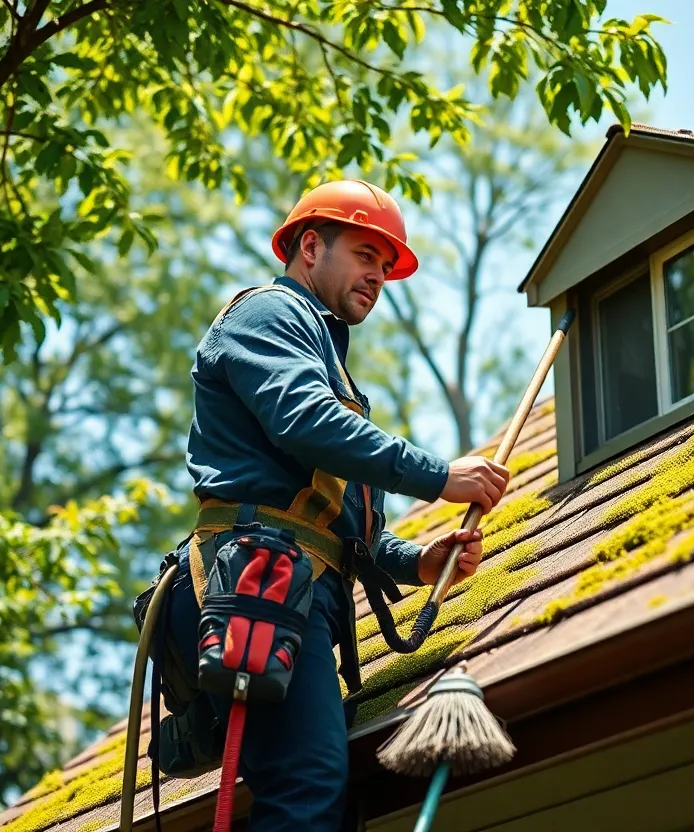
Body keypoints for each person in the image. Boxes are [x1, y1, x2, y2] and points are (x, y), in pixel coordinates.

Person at [159, 179, 510, 831]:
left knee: (327, 789)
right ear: (311, 246)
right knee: (308, 780)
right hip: (257, 579)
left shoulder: (330, 370)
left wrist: (417, 562)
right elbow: (306, 422)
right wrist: (440, 477)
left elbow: (348, 532)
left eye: (387, 266)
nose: (378, 276)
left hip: (296, 584)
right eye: (366, 255)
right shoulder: (268, 314)